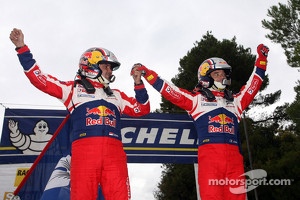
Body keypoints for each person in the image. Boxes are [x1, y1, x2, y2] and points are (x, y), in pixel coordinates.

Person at [10, 28, 150, 200]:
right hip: (84, 153)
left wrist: (138, 84)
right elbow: (40, 79)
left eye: (111, 68)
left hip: (115, 154)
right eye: (106, 66)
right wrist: (22, 48)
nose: (110, 71)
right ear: (91, 65)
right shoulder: (72, 89)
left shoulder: (117, 95)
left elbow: (142, 108)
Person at [134, 44, 269, 200]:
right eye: (217, 74)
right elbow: (169, 90)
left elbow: (254, 84)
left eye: (224, 74)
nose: (222, 77)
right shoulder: (196, 99)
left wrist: (262, 59)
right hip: (210, 161)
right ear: (205, 77)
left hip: (234, 161)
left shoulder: (236, 102)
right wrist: (147, 73)